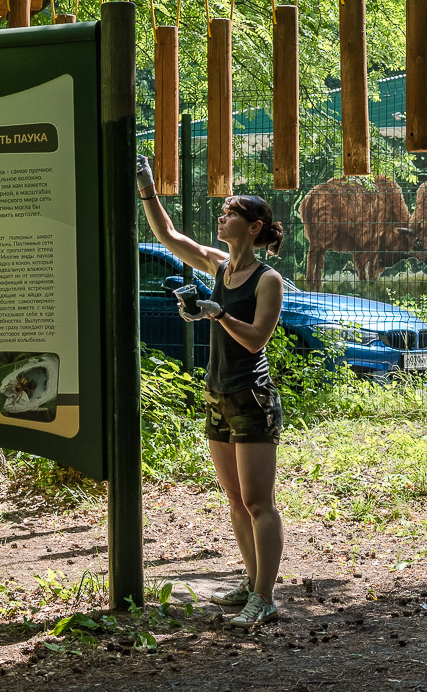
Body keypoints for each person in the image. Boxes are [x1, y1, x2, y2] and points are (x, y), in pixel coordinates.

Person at [136, 155, 287, 629]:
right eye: (222, 213)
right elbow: (170, 237)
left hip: (251, 397)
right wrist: (146, 184)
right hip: (217, 393)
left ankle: (265, 598)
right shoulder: (219, 265)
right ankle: (250, 581)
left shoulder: (268, 279)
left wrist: (216, 313)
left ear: (253, 225)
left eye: (230, 213)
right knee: (236, 500)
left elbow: (258, 337)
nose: (221, 218)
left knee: (260, 502)